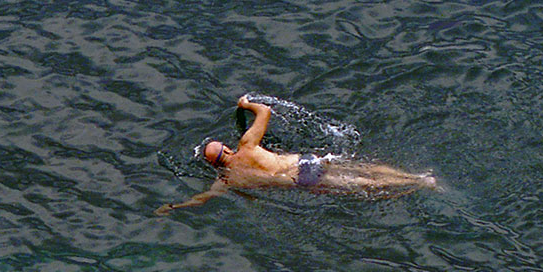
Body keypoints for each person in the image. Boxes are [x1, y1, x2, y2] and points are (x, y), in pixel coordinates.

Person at [158, 95, 440, 214]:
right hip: (309, 162)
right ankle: (414, 176)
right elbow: (265, 111)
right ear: (227, 149)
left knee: (362, 186)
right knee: (366, 169)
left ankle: (419, 184)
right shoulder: (247, 145)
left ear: (213, 165)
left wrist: (174, 208)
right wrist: (246, 104)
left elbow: (201, 199)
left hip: (303, 182)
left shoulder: (229, 181)